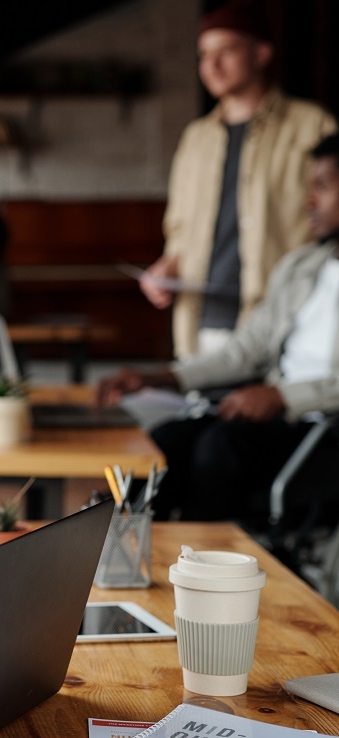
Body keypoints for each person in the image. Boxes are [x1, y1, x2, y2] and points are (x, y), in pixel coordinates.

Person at [99, 133, 339, 524]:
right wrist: (160, 377)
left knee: (220, 447)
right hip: (278, 420)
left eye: (323, 186)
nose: (309, 200)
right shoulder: (300, 267)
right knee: (163, 443)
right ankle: (128, 563)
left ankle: (199, 570)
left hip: (323, 432)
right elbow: (246, 350)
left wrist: (282, 395)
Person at [140, 0, 335, 358]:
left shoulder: (313, 126)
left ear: (260, 54)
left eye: (226, 51)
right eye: (204, 54)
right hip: (203, 322)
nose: (211, 65)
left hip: (287, 321)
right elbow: (179, 230)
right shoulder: (195, 139)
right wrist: (167, 266)